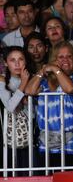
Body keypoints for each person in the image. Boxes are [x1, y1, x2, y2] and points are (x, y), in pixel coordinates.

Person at [25, 41, 73, 167]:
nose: (66, 60)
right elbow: (29, 91)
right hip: (47, 145)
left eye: (69, 56)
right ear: (54, 59)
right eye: (61, 57)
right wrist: (43, 71)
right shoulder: (44, 81)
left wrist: (56, 69)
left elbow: (70, 89)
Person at [0, 46, 32, 174]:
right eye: (12, 60)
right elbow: (10, 106)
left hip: (32, 134)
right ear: (5, 63)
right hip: (11, 138)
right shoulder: (2, 80)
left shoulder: (33, 78)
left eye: (21, 59)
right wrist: (24, 83)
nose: (17, 64)